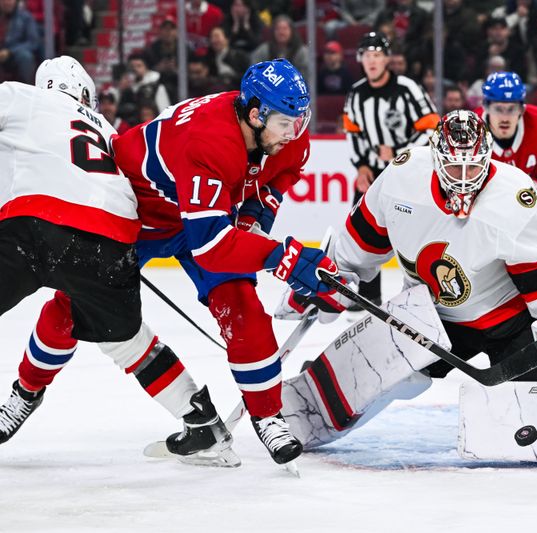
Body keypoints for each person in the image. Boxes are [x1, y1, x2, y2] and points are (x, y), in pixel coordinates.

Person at [12, 59, 340, 466]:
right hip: (138, 214)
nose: (295, 132)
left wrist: (255, 220)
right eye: (286, 122)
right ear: (255, 115)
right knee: (73, 305)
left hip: (202, 215)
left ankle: (268, 415)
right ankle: (26, 390)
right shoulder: (209, 139)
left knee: (242, 308)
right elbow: (213, 248)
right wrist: (282, 257)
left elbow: (276, 181)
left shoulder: (288, 137)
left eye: (300, 120)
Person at [276, 111, 537, 453]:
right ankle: (309, 407)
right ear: (435, 158)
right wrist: (328, 280)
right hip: (428, 315)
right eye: (454, 168)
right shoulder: (401, 179)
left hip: (510, 322)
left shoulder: (514, 197)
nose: (463, 179)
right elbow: (358, 245)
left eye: (472, 167)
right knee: (374, 375)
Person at [0, 56, 233, 463]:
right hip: (114, 239)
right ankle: (202, 422)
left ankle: (25, 394)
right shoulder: (109, 132)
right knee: (126, 342)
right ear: (86, 94)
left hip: (37, 226)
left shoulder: (22, 98)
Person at [343, 31, 438, 309]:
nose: (372, 61)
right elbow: (353, 134)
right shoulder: (357, 94)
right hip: (374, 175)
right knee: (363, 235)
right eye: (367, 56)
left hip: (411, 173)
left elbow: (432, 126)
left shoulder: (407, 88)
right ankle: (367, 296)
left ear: (387, 59)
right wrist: (361, 166)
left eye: (377, 55)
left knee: (417, 235)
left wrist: (399, 153)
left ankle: (422, 297)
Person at [475, 71, 537, 231]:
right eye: (498, 109)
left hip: (530, 205)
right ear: (486, 107)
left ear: (522, 109)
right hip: (482, 212)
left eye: (511, 109)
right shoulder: (469, 131)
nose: (504, 117)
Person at [0, 0, 39, 83]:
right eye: (3, 0)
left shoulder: (26, 17)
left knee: (25, 56)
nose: (6, 2)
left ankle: (27, 87)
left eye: (9, 0)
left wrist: (10, 51)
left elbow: (33, 42)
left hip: (16, 54)